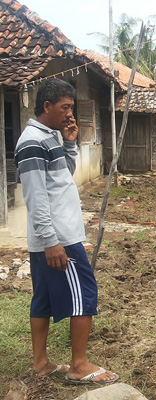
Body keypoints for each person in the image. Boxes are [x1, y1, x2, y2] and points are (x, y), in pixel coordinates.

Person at [14, 79, 118, 384]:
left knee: (43, 299)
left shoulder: (49, 137)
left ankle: (41, 363)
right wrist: (51, 242)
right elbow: (36, 196)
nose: (70, 114)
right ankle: (79, 365)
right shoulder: (32, 141)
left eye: (72, 107)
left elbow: (62, 177)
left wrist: (70, 142)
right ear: (47, 106)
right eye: (65, 108)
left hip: (51, 237)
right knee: (85, 293)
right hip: (58, 238)